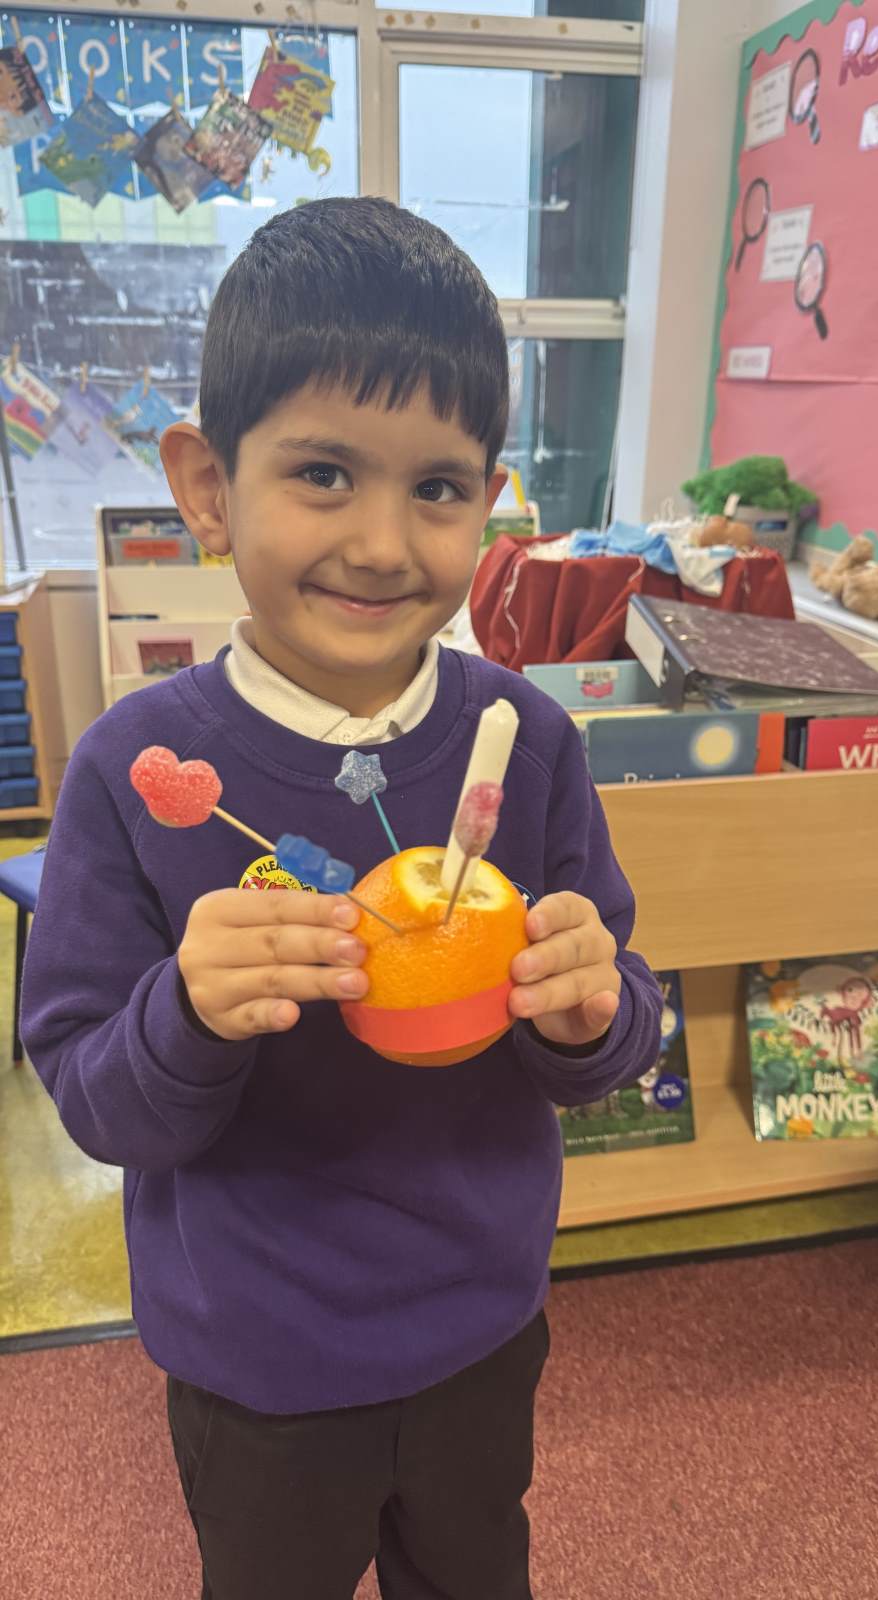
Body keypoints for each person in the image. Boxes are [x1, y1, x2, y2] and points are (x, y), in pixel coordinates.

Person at [21, 197, 663, 1600]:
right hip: (256, 1353)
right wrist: (188, 1012)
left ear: (490, 505)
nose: (382, 542)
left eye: (437, 488)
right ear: (207, 486)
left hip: (483, 1322)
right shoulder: (135, 772)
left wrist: (590, 1013)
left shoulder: (528, 745)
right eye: (322, 472)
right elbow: (91, 1097)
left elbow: (613, 1025)